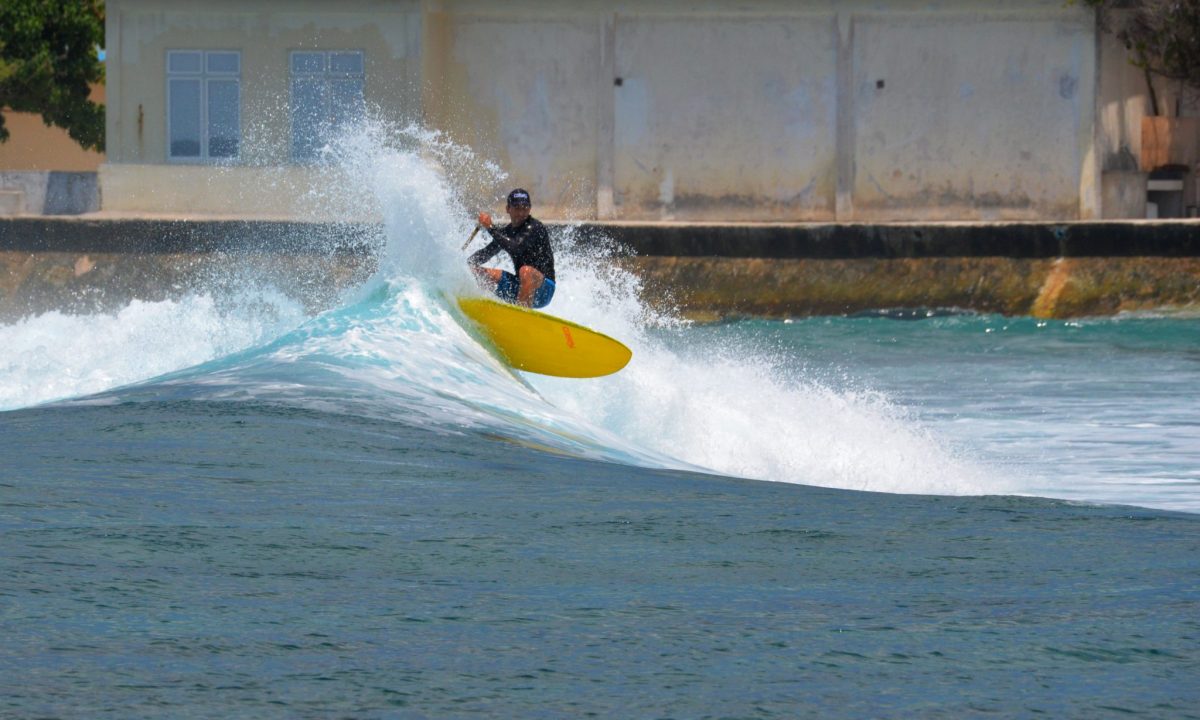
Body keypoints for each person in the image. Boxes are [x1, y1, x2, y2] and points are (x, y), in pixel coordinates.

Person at [468, 188, 556, 309]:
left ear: (529, 209)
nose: (521, 213)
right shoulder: (507, 232)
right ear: (508, 209)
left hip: (543, 290)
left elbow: (515, 247)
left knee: (525, 271)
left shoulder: (535, 227)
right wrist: (464, 265)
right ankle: (483, 308)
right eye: (517, 208)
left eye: (525, 208)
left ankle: (522, 317)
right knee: (478, 272)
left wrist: (490, 227)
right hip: (519, 286)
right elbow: (486, 253)